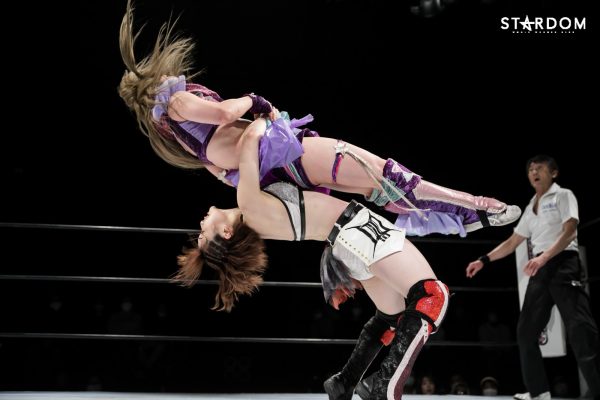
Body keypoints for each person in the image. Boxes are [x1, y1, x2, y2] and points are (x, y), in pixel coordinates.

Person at [118, 0, 521, 238]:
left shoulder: (179, 134)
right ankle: (475, 208)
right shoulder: (176, 104)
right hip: (282, 153)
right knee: (384, 175)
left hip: (276, 164)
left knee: (375, 188)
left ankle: (456, 219)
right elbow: (226, 112)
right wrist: (252, 101)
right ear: (150, 84)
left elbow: (221, 172)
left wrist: (252, 144)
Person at [174, 117, 449, 399]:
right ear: (226, 233)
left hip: (346, 242)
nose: (201, 224)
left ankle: (345, 381)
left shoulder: (251, 214)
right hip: (357, 231)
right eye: (203, 233)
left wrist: (179, 136)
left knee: (392, 316)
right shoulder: (249, 204)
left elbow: (219, 167)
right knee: (432, 295)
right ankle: (385, 386)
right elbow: (249, 141)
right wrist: (262, 112)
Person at [465, 155, 600, 400]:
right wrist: (484, 260)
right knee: (526, 332)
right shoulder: (530, 207)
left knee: (581, 329)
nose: (534, 172)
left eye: (539, 168)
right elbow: (513, 241)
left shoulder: (563, 195)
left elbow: (570, 231)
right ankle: (539, 392)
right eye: (530, 169)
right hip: (541, 268)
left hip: (563, 263)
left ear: (554, 173)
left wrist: (544, 257)